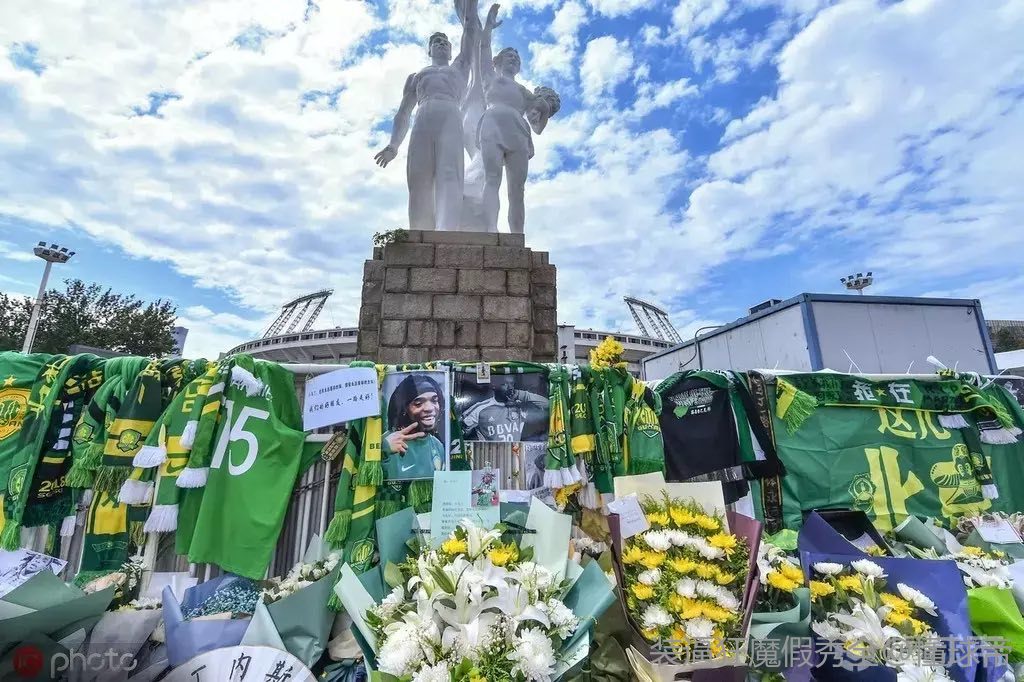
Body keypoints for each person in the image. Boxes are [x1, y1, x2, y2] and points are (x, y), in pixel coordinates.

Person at [373, 0, 479, 231]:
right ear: (429, 50)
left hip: (450, 114)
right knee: (419, 175)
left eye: (445, 42)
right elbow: (403, 112)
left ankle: (447, 229)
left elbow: (471, 30)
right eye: (436, 42)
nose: (441, 44)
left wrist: (471, 7)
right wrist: (393, 145)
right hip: (423, 116)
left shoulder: (460, 67)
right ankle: (420, 230)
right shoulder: (416, 77)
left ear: (451, 50)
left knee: (450, 173)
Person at [477, 4, 560, 233]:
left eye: (516, 58)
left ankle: (517, 235)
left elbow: (539, 123)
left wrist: (545, 107)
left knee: (517, 190)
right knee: (492, 178)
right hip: (492, 124)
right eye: (509, 56)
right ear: (497, 61)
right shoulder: (490, 78)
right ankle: (489, 230)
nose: (513, 59)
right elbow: (483, 48)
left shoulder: (524, 92)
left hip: (518, 131)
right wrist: (488, 27)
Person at [383, 374, 446, 479]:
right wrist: (383, 449)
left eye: (434, 400)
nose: (430, 408)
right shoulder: (388, 442)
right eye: (418, 403)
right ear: (404, 409)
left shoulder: (437, 445)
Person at [462, 375, 549, 442]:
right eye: (505, 384)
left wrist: (522, 395)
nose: (510, 388)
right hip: (490, 456)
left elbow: (549, 405)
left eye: (512, 384)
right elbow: (460, 430)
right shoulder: (481, 408)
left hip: (515, 456)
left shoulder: (520, 406)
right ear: (494, 386)